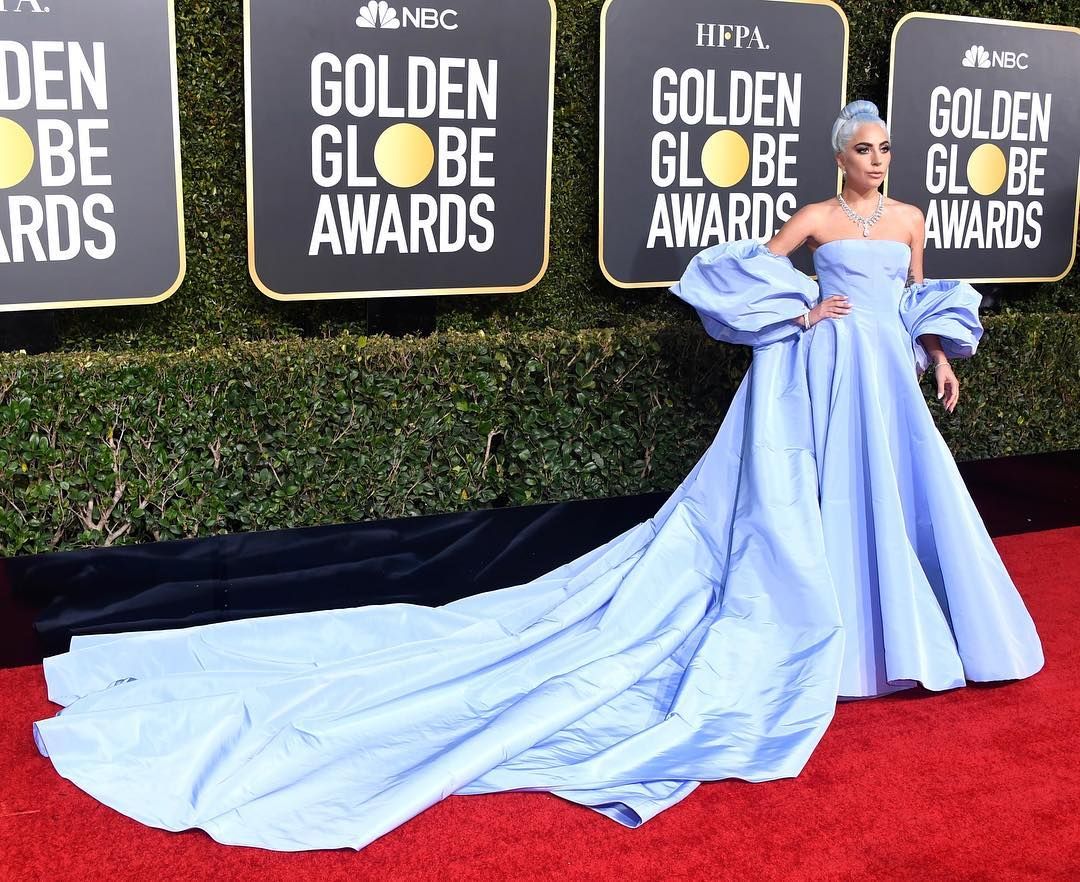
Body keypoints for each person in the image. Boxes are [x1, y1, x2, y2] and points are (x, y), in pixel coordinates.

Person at [32, 100, 1043, 852]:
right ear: (839, 155)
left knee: (883, 508)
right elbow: (742, 271)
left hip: (885, 386)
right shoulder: (817, 216)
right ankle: (825, 641)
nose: (878, 160)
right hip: (824, 377)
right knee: (806, 511)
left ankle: (884, 641)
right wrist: (800, 312)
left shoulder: (908, 220)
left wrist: (940, 354)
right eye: (865, 148)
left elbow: (918, 300)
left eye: (885, 150)